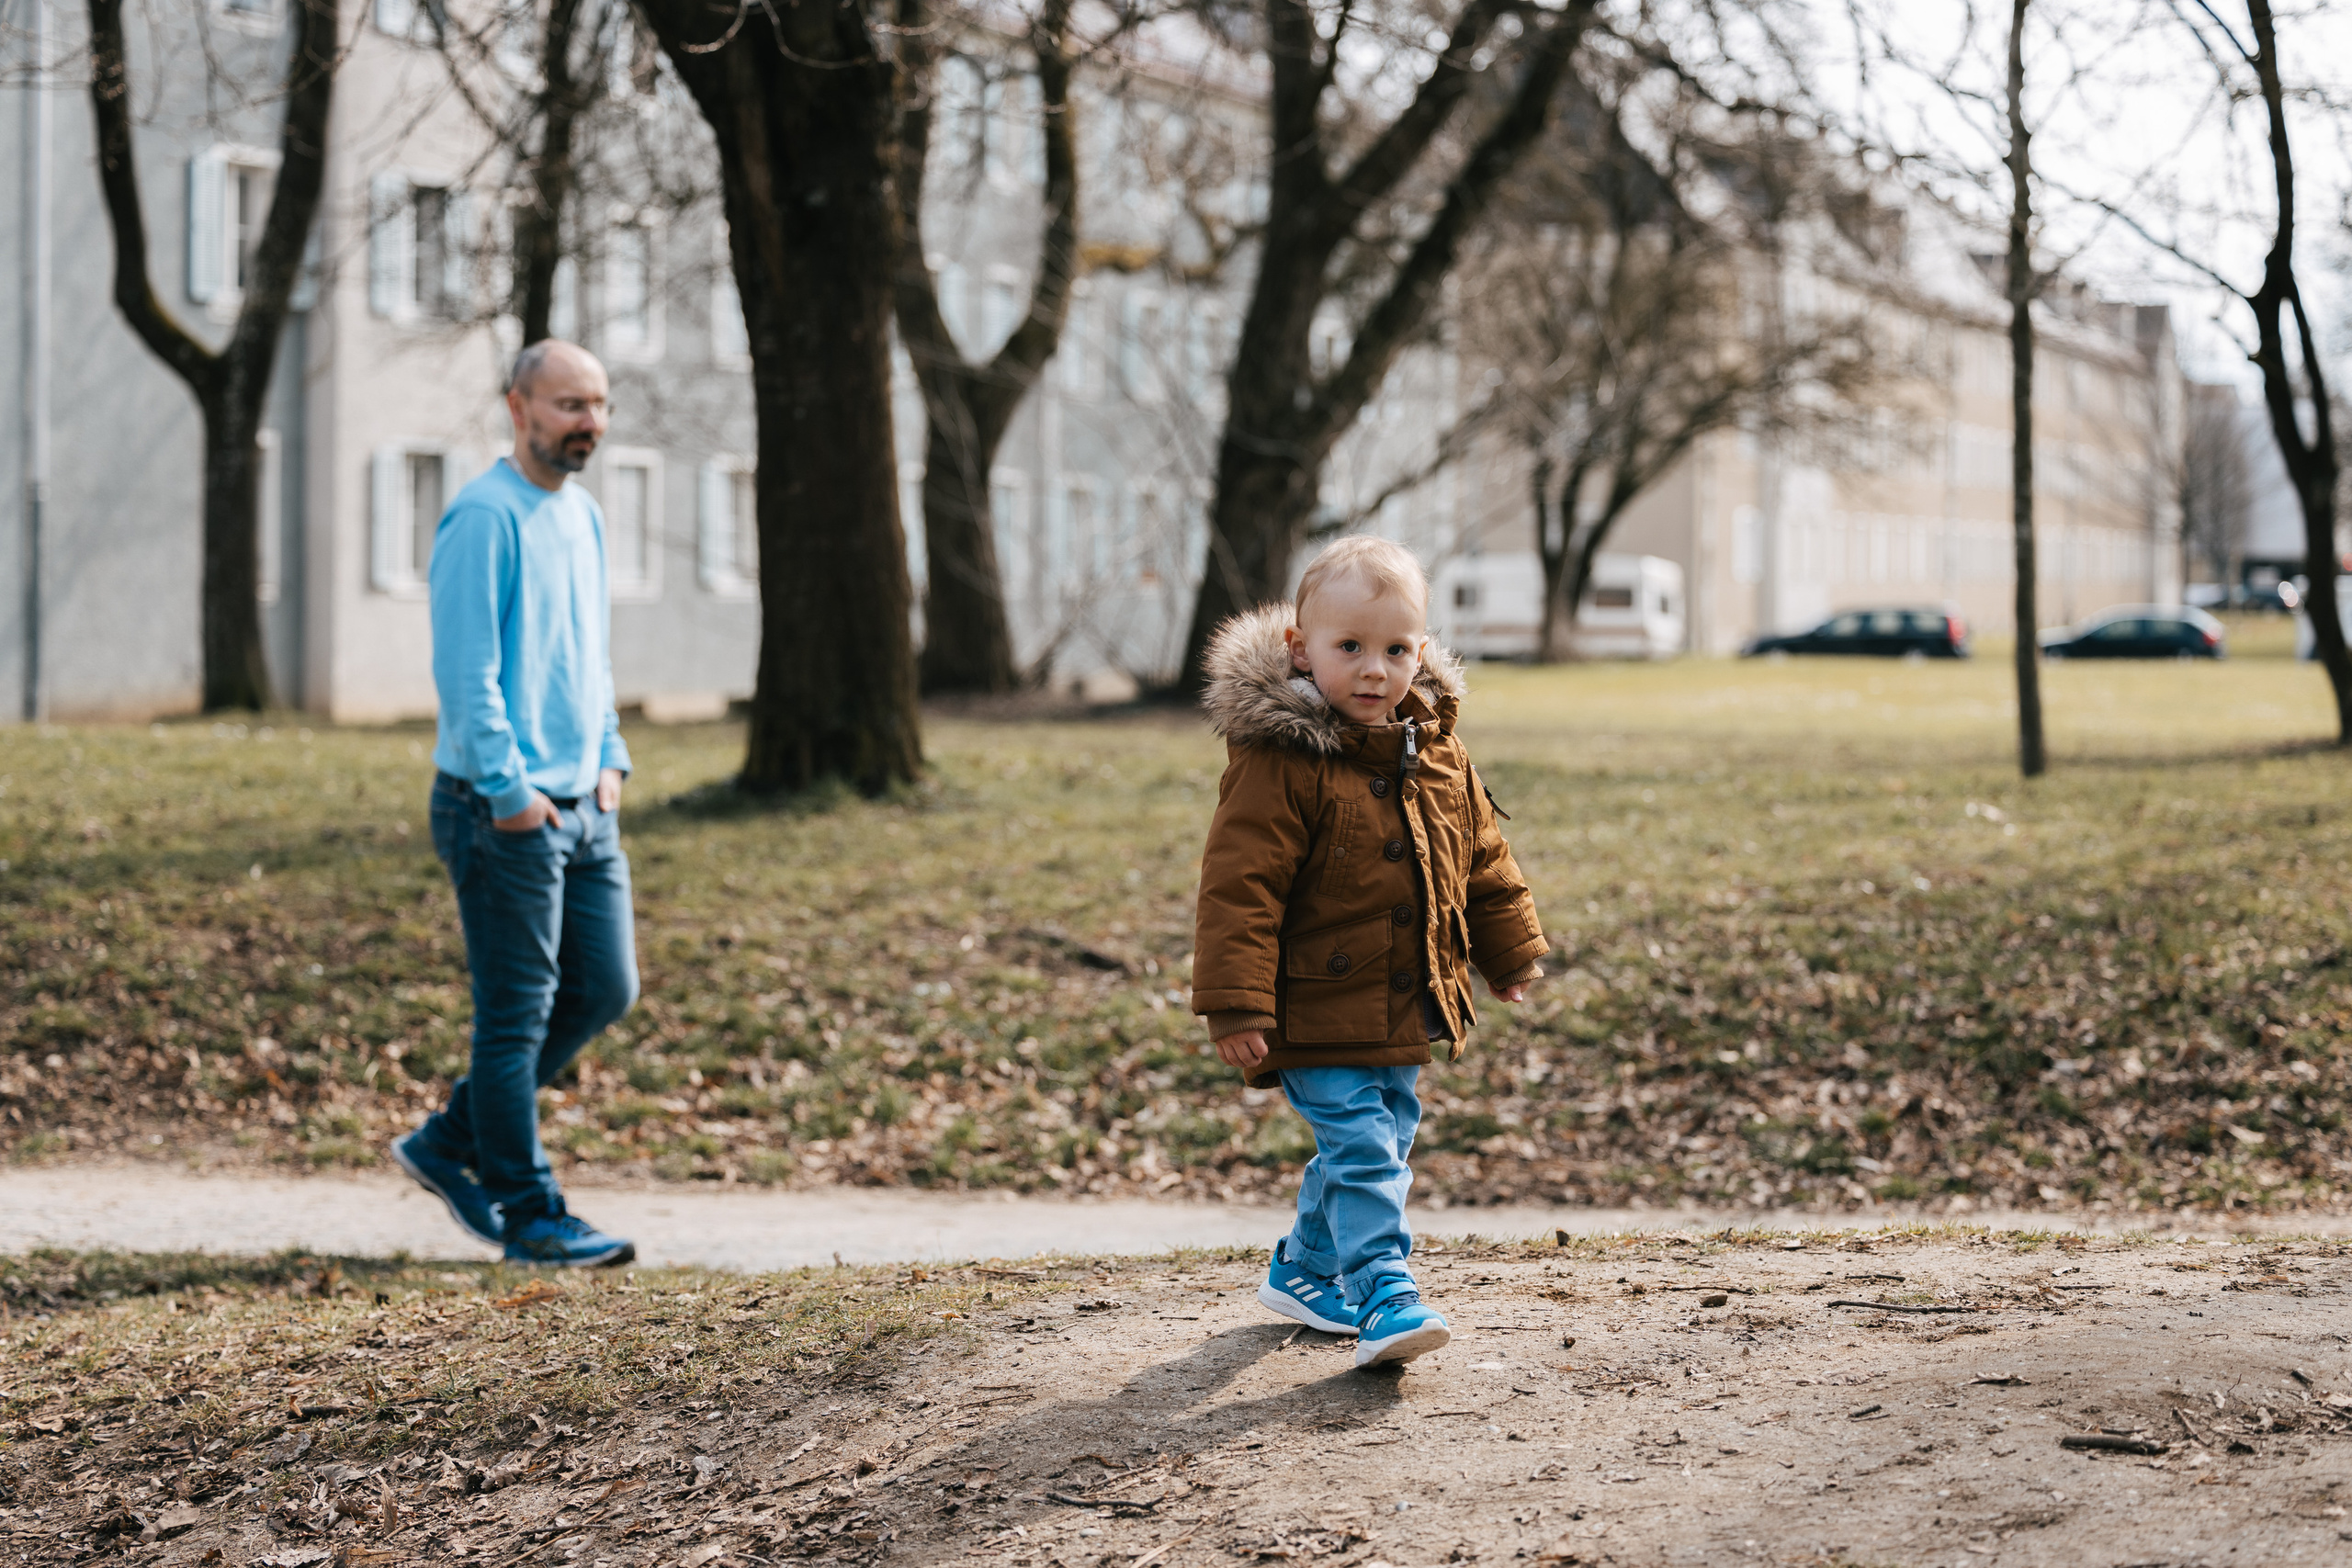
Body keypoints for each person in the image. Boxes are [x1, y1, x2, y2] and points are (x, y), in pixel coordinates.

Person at [1192, 537, 1547, 1368]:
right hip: (1312, 1003)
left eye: (1395, 649)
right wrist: (1237, 1001)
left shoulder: (1437, 752)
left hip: (1406, 996)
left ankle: (1306, 1265)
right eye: (1349, 647)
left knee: (1382, 1138)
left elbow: (1483, 861)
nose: (1373, 670)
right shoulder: (1282, 760)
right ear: (1300, 648)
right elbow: (1240, 886)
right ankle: (1385, 1289)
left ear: (1421, 651)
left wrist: (1510, 951)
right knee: (1360, 1145)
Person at [390, 339, 640, 1268]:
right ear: (518, 408)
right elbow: (466, 674)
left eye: (599, 405)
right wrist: (510, 792)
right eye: (570, 404)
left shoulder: (583, 518)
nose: (589, 423)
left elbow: (589, 657)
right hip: (502, 809)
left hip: (585, 802)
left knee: (606, 987)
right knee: (515, 1018)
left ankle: (449, 1140)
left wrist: (608, 759)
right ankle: (531, 1216)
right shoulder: (483, 517)